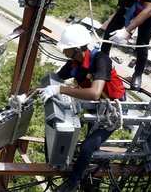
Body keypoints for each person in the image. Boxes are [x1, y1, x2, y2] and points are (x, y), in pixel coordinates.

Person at [40, 24, 125, 191]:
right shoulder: (74, 64)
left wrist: (60, 89)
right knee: (87, 147)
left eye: (66, 49)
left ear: (77, 49)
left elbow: (94, 93)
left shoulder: (101, 60)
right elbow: (55, 80)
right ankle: (91, 178)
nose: (64, 52)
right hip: (96, 109)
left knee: (87, 147)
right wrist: (29, 94)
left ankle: (74, 182)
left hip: (113, 111)